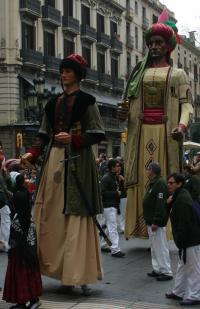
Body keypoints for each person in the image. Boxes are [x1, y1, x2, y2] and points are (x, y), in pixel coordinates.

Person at [21, 54, 105, 294]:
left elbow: (98, 133)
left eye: (68, 71)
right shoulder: (52, 103)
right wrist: (32, 154)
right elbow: (43, 134)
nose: (63, 75)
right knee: (52, 217)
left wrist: (74, 139)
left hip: (78, 161)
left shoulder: (88, 102)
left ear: (78, 75)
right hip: (54, 161)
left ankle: (80, 274)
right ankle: (58, 271)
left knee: (77, 217)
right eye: (63, 71)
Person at [117, 12, 193, 239]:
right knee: (142, 178)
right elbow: (128, 104)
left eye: (158, 42)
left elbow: (187, 106)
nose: (153, 46)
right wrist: (123, 112)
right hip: (140, 134)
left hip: (165, 133)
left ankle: (165, 227)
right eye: (150, 43)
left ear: (169, 46)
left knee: (164, 179)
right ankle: (142, 225)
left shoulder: (178, 74)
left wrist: (181, 126)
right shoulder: (137, 75)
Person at [3, 174, 42, 309]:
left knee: (22, 276)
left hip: (20, 255)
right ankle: (30, 300)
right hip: (26, 254)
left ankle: (26, 301)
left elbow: (16, 238)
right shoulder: (27, 219)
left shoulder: (18, 220)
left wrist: (10, 247)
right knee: (29, 275)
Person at [166, 173, 200, 306]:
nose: (169, 185)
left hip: (190, 239)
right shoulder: (179, 196)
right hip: (188, 239)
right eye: (168, 182)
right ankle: (178, 291)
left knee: (193, 268)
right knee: (182, 266)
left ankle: (196, 295)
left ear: (179, 184)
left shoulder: (182, 199)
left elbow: (185, 223)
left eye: (171, 183)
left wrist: (181, 241)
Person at [143, 162, 172, 281]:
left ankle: (166, 271)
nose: (146, 171)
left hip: (156, 222)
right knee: (154, 246)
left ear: (153, 171)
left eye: (148, 169)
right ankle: (158, 269)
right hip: (151, 221)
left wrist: (156, 221)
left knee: (160, 246)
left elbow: (160, 204)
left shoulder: (159, 183)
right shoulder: (154, 183)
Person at [101, 159, 125, 257]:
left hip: (113, 204)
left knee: (108, 227)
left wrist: (121, 182)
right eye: (117, 166)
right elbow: (102, 192)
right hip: (109, 205)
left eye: (119, 166)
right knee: (113, 227)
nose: (119, 167)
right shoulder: (106, 178)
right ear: (112, 167)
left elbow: (121, 191)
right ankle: (115, 249)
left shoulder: (115, 177)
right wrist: (115, 193)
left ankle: (103, 244)